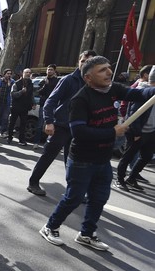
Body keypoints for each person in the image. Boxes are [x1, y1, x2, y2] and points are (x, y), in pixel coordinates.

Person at [39, 56, 155, 252]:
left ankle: (86, 233)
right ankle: (50, 227)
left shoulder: (113, 89)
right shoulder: (80, 100)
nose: (109, 72)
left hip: (103, 159)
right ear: (88, 78)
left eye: (109, 68)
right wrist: (113, 132)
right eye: (102, 70)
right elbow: (79, 133)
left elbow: (139, 94)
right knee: (73, 198)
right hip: (82, 160)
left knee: (99, 198)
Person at [27, 50, 96, 196]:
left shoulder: (92, 84)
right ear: (78, 61)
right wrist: (49, 121)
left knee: (72, 161)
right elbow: (50, 102)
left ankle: (73, 190)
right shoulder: (68, 80)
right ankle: (33, 182)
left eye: (89, 62)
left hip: (78, 129)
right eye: (83, 60)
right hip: (61, 126)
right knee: (48, 156)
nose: (85, 64)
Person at [114, 66, 155, 191]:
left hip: (151, 131)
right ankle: (120, 179)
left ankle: (131, 178)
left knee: (146, 156)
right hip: (137, 132)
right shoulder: (142, 91)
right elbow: (133, 113)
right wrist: (136, 132)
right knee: (128, 156)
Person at [7, 68, 34, 145]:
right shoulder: (16, 83)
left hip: (25, 107)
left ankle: (21, 139)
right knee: (12, 123)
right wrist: (21, 92)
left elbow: (31, 95)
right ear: (23, 73)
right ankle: (9, 137)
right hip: (16, 106)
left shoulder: (30, 83)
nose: (28, 74)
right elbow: (13, 94)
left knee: (23, 123)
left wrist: (33, 103)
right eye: (26, 72)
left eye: (29, 72)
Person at [33, 64, 58, 148]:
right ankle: (36, 142)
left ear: (54, 71)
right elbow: (38, 92)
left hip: (53, 105)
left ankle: (49, 143)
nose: (49, 71)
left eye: (51, 70)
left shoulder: (57, 81)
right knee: (40, 124)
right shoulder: (43, 80)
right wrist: (45, 85)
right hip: (43, 104)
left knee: (52, 124)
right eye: (48, 69)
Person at [0, 69, 13, 137]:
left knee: (5, 118)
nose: (9, 75)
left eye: (10, 74)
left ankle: (3, 132)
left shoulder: (12, 82)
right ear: (4, 74)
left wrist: (9, 86)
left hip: (6, 103)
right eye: (8, 73)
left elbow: (12, 92)